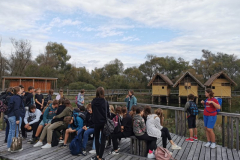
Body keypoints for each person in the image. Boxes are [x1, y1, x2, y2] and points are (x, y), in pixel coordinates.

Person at [91, 87, 110, 160]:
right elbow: (107, 112)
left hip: (96, 121)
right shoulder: (105, 101)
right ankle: (101, 157)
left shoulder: (93, 101)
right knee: (103, 139)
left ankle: (97, 155)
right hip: (103, 122)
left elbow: (93, 111)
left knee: (96, 138)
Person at [7, 86, 25, 152]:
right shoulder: (17, 98)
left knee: (11, 131)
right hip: (15, 116)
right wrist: (17, 118)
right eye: (20, 90)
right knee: (15, 132)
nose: (22, 90)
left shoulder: (12, 97)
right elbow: (16, 108)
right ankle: (13, 147)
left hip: (10, 116)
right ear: (18, 91)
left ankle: (9, 146)